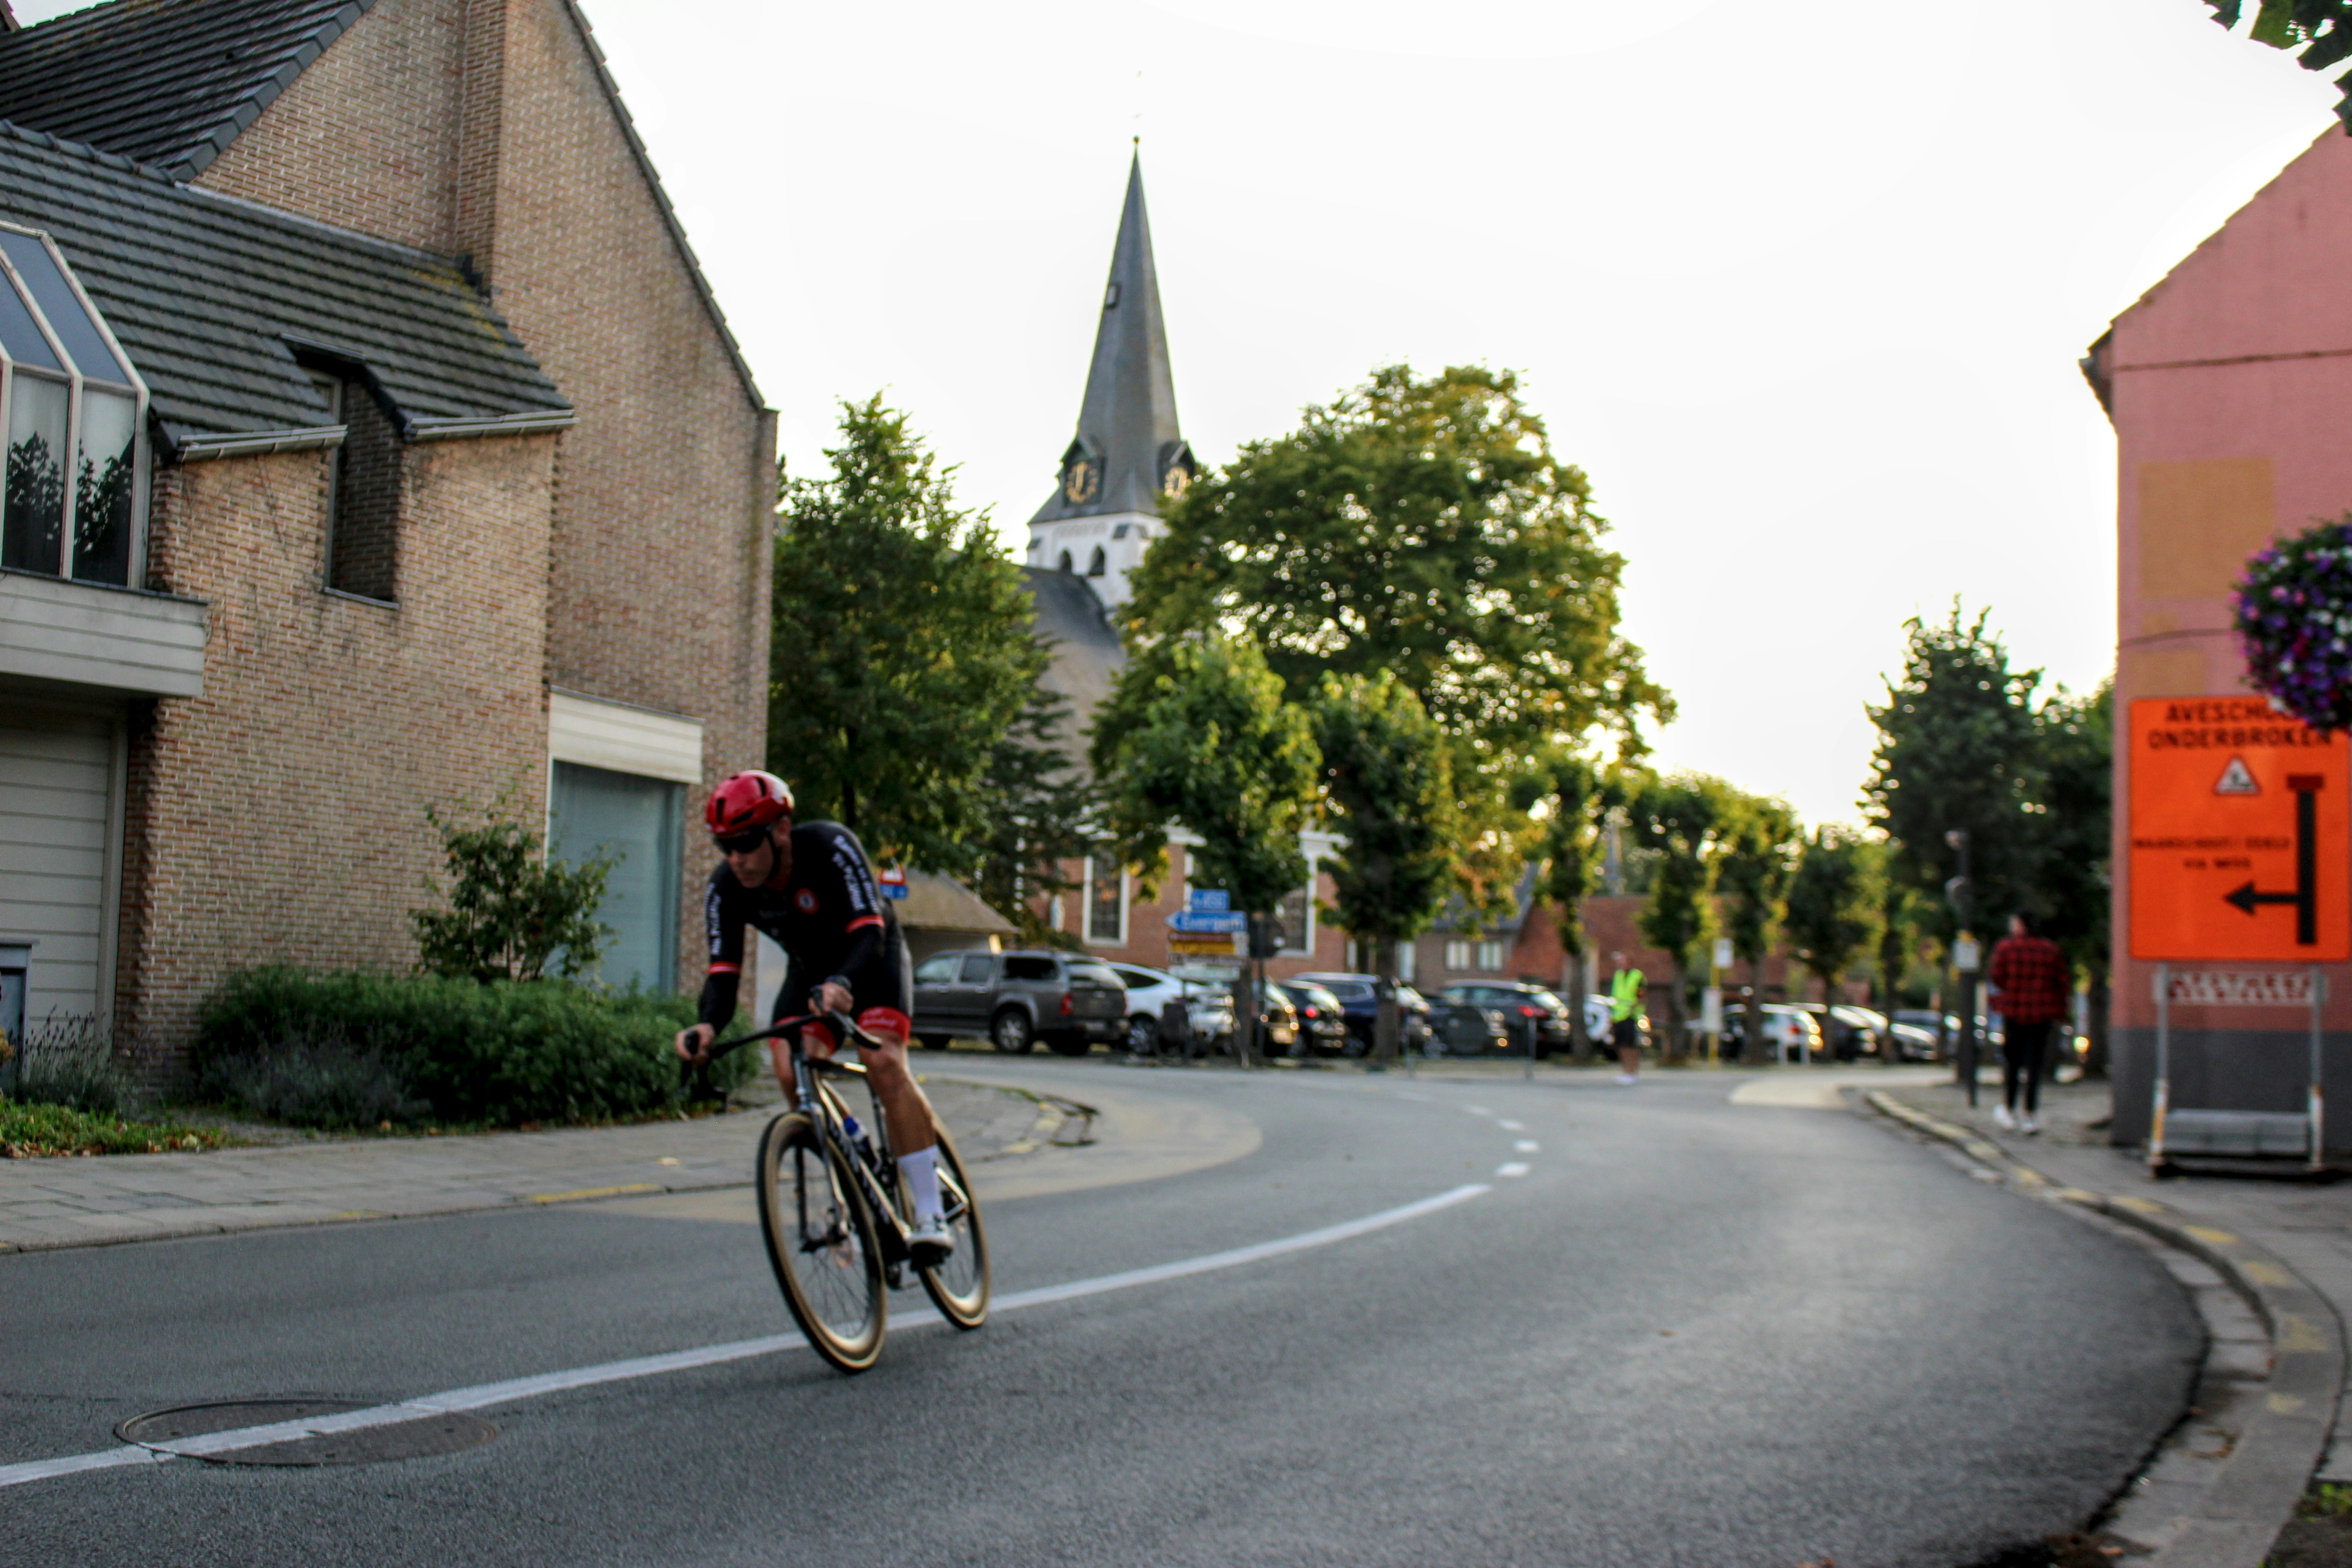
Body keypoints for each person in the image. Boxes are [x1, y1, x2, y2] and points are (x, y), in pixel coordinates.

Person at [674, 771, 951, 1263]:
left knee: (883, 1061)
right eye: (725, 847)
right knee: (790, 1068)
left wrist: (844, 984)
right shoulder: (727, 888)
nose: (736, 858)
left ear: (781, 831)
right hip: (811, 972)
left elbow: (869, 932)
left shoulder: (829, 847)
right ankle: (851, 1166)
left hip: (870, 956)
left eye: (745, 843)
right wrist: (706, 1027)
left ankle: (930, 1213)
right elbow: (723, 973)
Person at [1985, 910, 2068, 1135]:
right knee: (2034, 1066)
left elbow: (1997, 977)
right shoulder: (2050, 950)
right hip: (2042, 1014)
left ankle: (2008, 1110)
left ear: (2021, 925)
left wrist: (2010, 992)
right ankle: (2030, 1114)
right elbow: (2061, 982)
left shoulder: (2006, 948)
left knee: (2012, 1063)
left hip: (2014, 1012)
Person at [1607, 951, 1646, 1086]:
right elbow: (1616, 996)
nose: (1620, 964)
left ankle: (1632, 1072)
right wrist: (1612, 1016)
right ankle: (1625, 1071)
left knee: (1631, 1045)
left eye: (1623, 962)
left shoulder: (1637, 976)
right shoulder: (1618, 976)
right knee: (1621, 1046)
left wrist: (1634, 1008)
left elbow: (1641, 996)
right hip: (1618, 1016)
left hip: (1630, 1015)